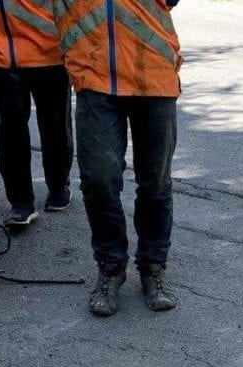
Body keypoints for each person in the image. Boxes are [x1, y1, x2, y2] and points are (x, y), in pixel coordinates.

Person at [52, 0, 182, 316]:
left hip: (152, 71)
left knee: (155, 182)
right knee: (98, 180)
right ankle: (111, 268)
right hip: (93, 73)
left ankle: (153, 267)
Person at [0, 0, 74, 227]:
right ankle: (21, 202)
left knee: (55, 123)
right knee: (9, 130)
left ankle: (59, 184)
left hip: (48, 51)